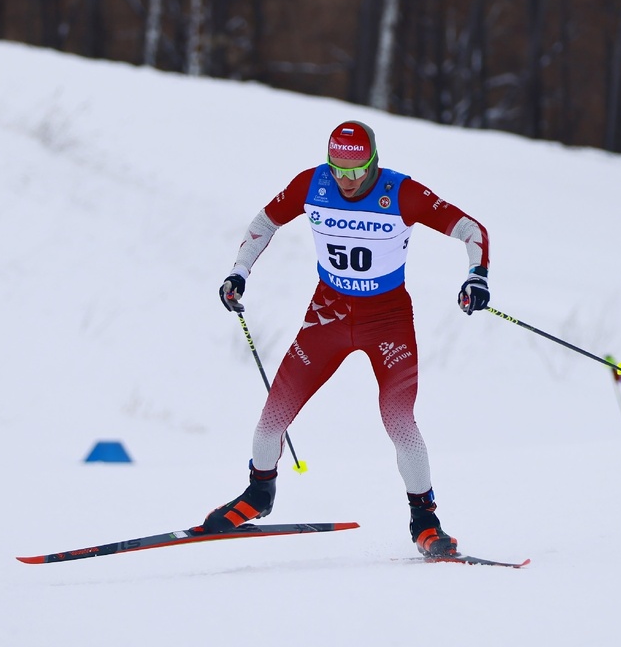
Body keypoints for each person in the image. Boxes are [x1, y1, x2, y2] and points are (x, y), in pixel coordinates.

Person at [202, 120, 491, 558]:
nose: (347, 180)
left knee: (400, 422)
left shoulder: (402, 193)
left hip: (387, 318)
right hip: (328, 314)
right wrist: (238, 271)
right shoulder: (311, 183)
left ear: (374, 162)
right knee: (270, 422)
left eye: (357, 171)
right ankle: (259, 494)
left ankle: (425, 522)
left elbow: (472, 229)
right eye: (338, 169)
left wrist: (477, 276)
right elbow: (264, 222)